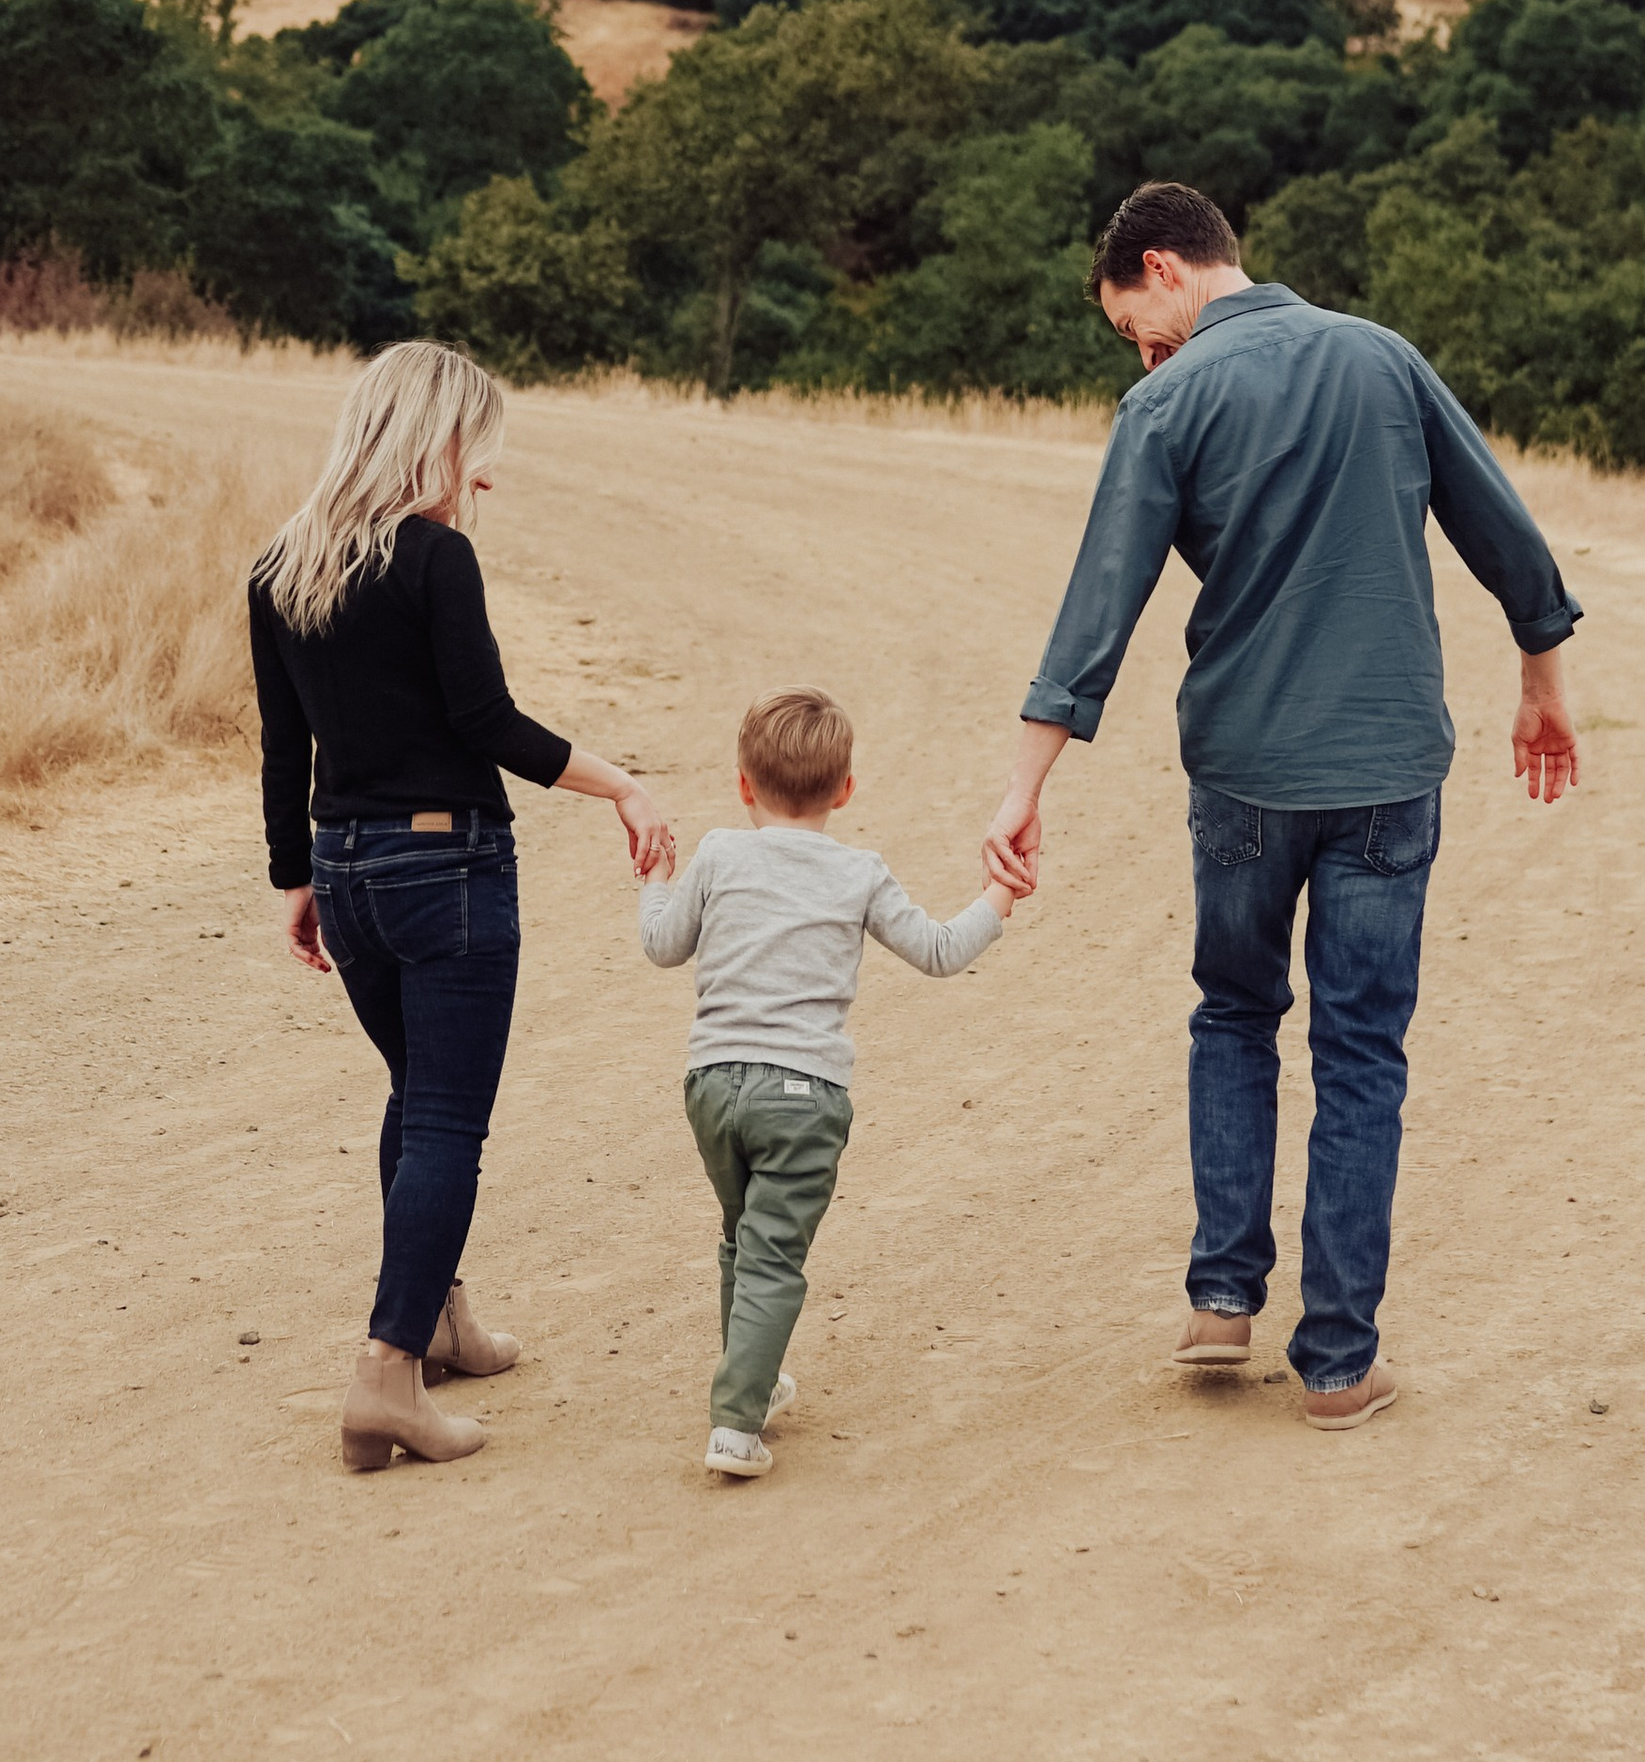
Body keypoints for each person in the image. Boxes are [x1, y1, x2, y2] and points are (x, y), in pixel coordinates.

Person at [982, 182, 1581, 1432]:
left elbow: (1097, 609)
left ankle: (1220, 1295)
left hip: (1244, 773)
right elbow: (1501, 530)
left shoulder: (1167, 400)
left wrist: (1025, 782)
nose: (1141, 350)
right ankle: (1338, 1363)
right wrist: (1542, 681)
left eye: (1135, 323)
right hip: (1384, 772)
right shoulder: (1383, 358)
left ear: (1165, 265)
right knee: (1362, 1053)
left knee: (1234, 1014)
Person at [252, 340, 675, 1474]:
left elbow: (284, 746)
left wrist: (297, 875)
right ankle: (387, 1372)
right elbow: (486, 721)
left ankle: (438, 1319)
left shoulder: (280, 567)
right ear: (430, 440)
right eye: (473, 450)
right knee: (445, 1119)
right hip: (448, 867)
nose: (479, 475)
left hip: (347, 873)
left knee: (415, 1094)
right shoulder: (435, 562)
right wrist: (622, 783)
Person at [639, 686, 1011, 1481]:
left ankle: (760, 1377)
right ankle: (735, 1425)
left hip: (711, 1083)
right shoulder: (859, 871)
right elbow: (940, 950)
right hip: (802, 1097)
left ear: (743, 783)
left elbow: (663, 945)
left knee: (743, 1234)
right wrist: (1001, 895)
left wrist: (657, 878)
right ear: (845, 790)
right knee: (774, 1251)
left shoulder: (718, 852)